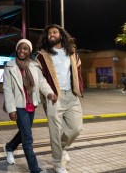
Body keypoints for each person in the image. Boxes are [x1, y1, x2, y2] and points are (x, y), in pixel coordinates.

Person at [3, 39, 57, 173]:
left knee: (23, 132)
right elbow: (7, 89)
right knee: (27, 137)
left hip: (31, 104)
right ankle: (34, 169)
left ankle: (10, 147)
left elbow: (42, 82)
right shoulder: (10, 66)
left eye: (25, 48)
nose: (22, 51)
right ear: (17, 49)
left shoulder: (34, 66)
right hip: (18, 106)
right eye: (20, 48)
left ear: (29, 51)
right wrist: (11, 109)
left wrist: (49, 93)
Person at [35, 24, 83, 173]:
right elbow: (40, 79)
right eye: (49, 33)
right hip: (54, 96)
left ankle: (61, 147)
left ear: (61, 35)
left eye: (55, 32)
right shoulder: (41, 56)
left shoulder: (72, 53)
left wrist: (78, 89)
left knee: (76, 128)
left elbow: (78, 71)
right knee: (55, 131)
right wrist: (49, 93)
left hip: (72, 95)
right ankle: (57, 163)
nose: (52, 35)